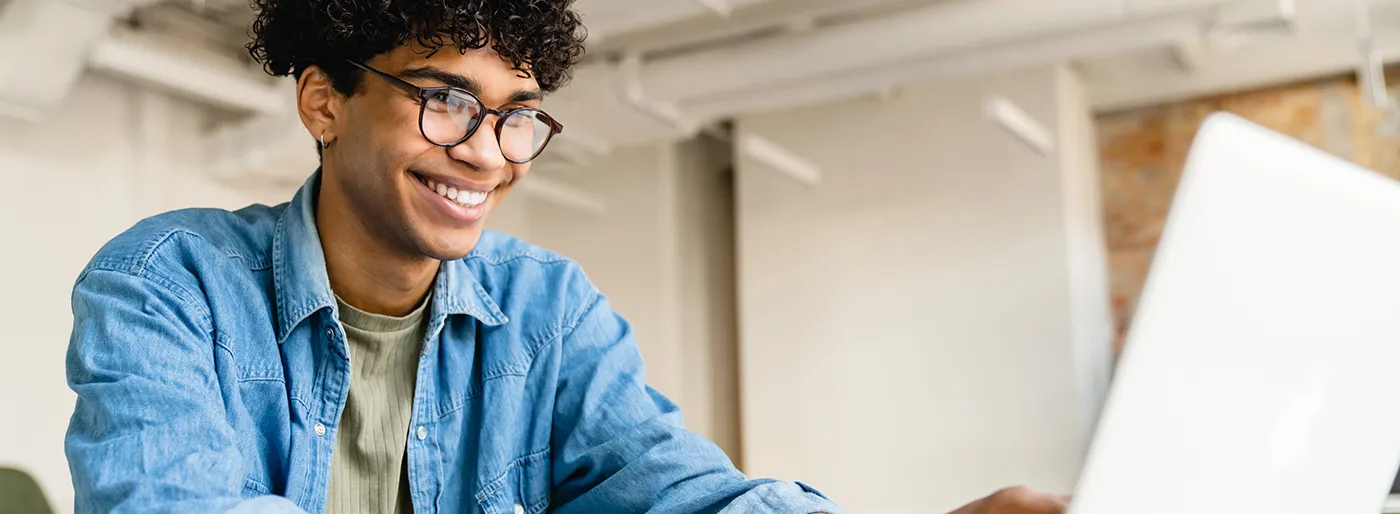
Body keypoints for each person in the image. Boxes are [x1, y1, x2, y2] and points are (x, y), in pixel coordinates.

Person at [62, 1, 1069, 512]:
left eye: (516, 117)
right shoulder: (169, 281)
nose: (487, 153)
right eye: (444, 99)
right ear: (323, 98)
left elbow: (685, 496)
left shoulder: (547, 312)